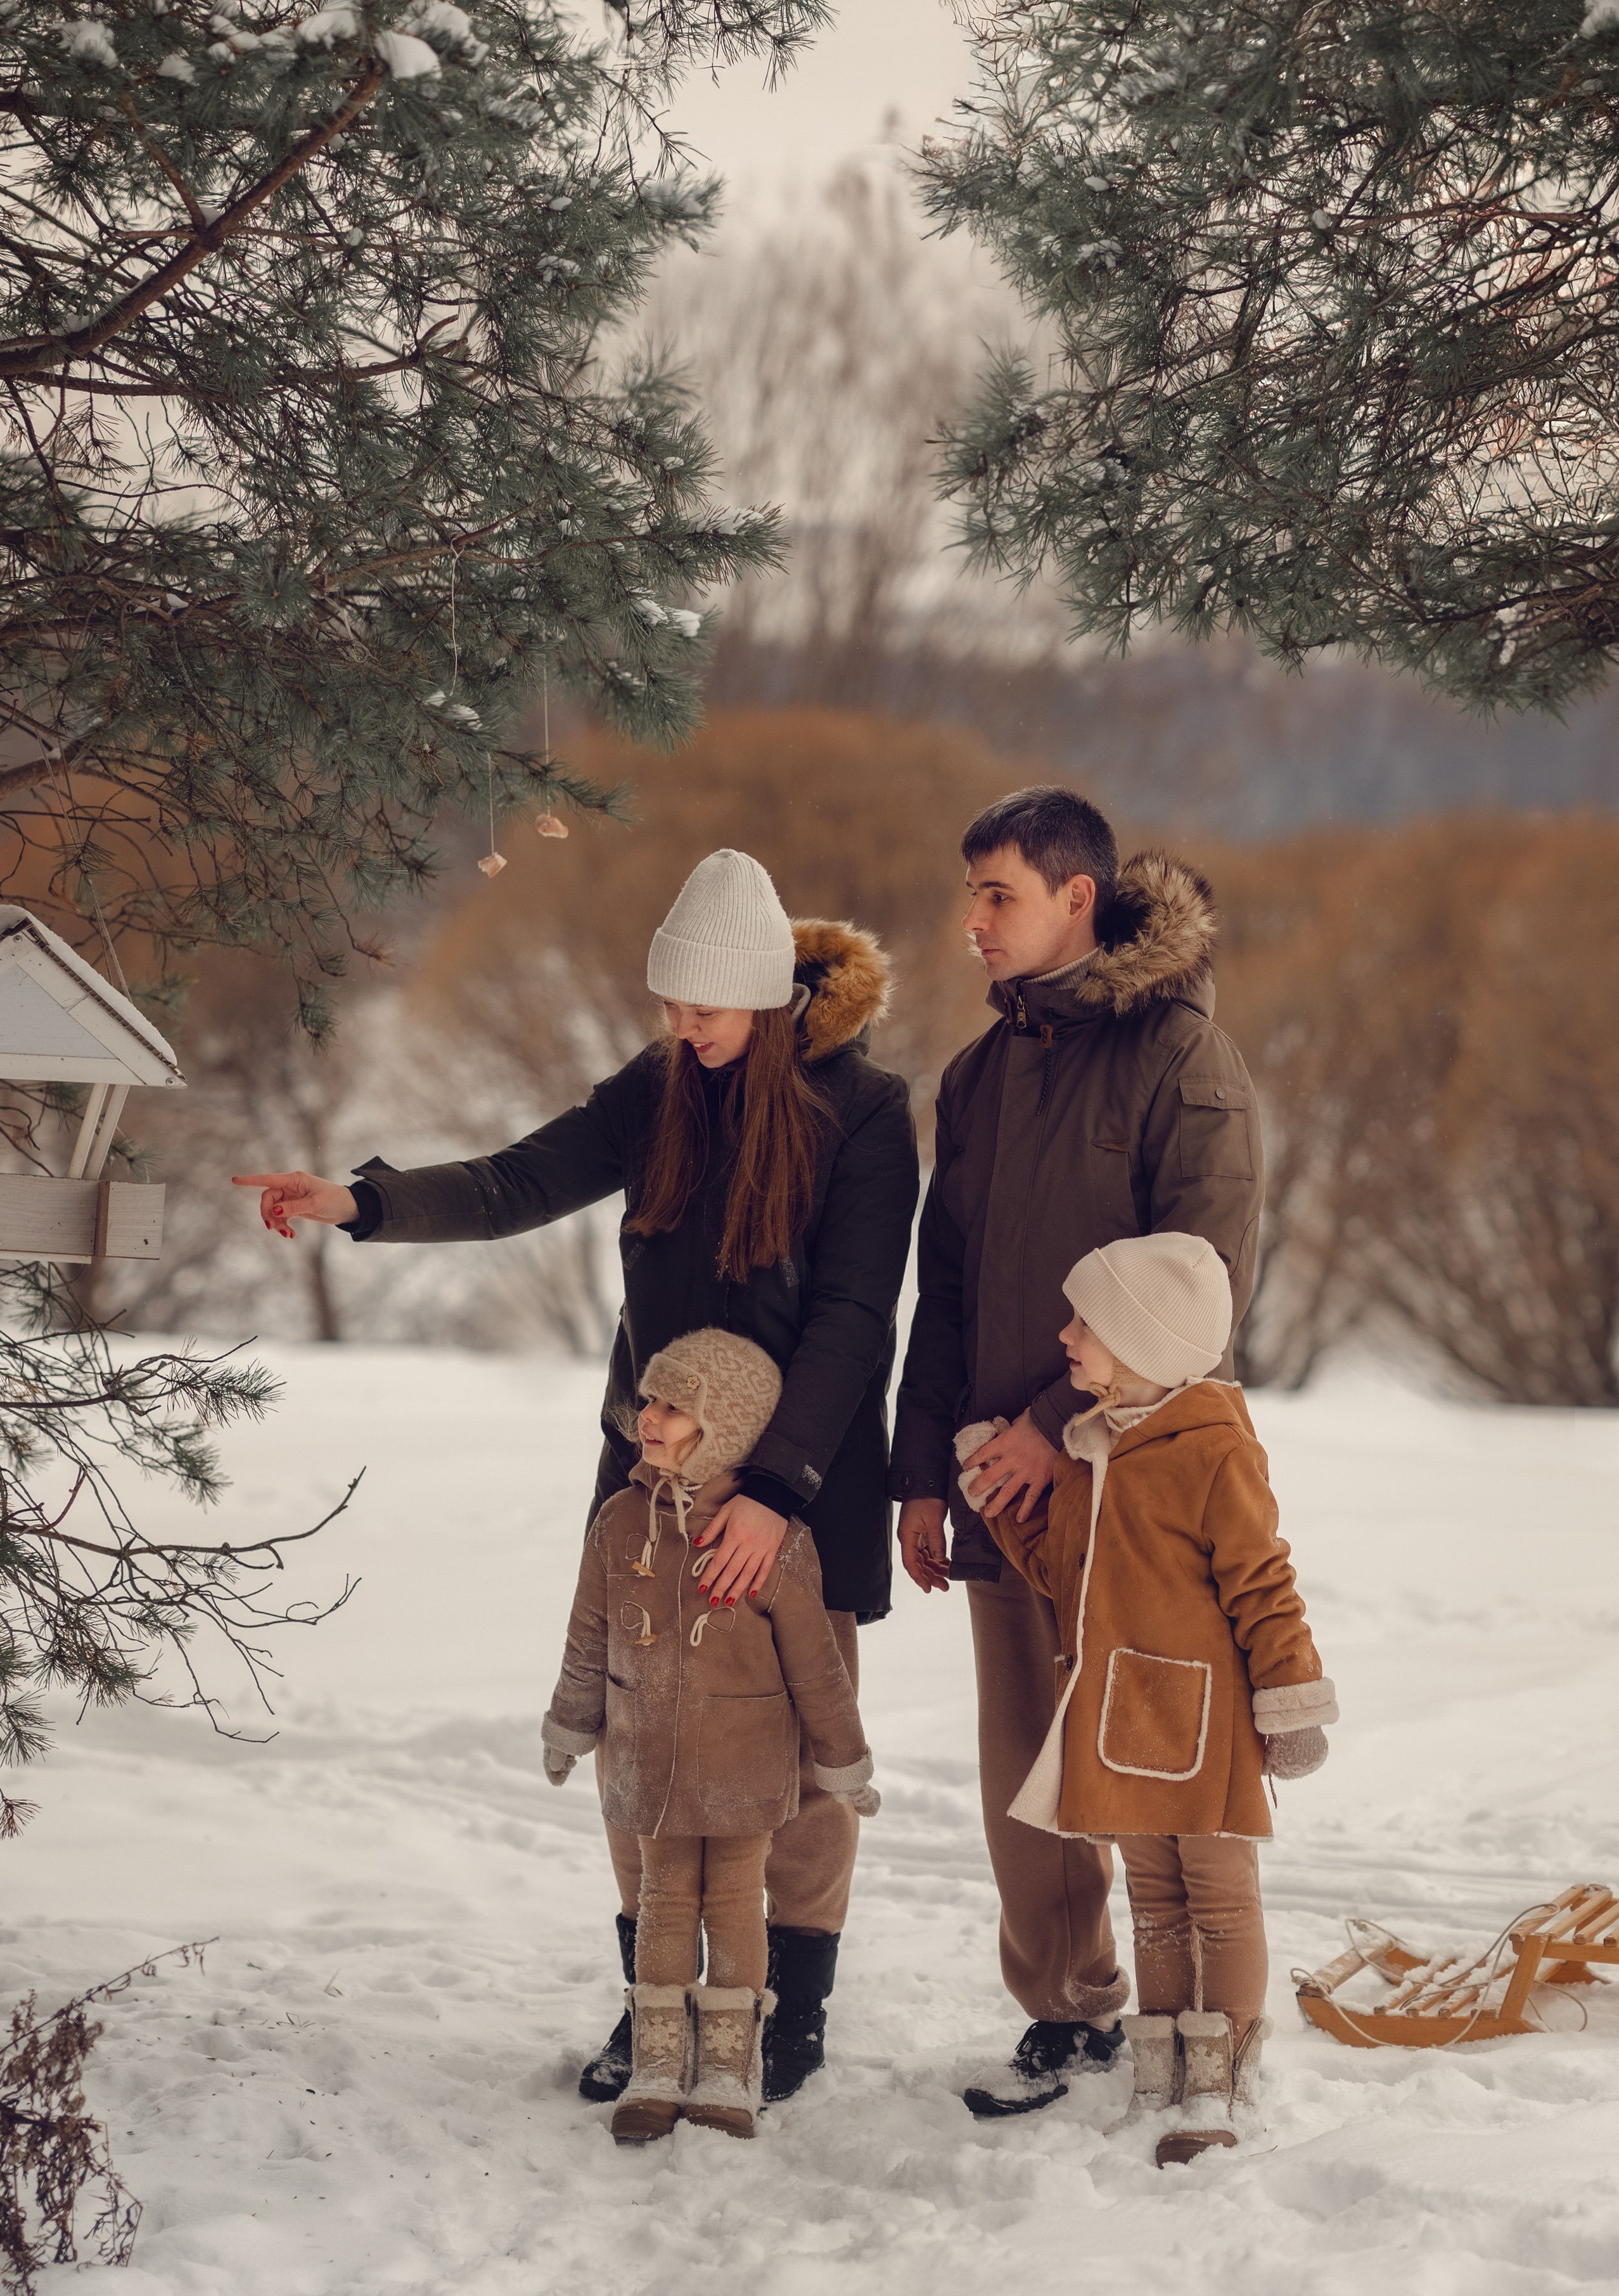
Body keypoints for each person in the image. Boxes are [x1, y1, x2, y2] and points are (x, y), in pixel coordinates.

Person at [236, 849, 918, 2104]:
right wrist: (359, 1202)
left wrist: (775, 1494)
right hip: (651, 1473)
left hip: (799, 1480)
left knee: (795, 1752)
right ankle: (651, 2000)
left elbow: (853, 1320)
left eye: (703, 1009)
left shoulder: (864, 1116)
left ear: (767, 1000)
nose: (680, 1029)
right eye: (667, 1006)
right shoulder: (660, 1088)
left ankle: (786, 2016)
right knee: (642, 1728)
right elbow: (514, 1182)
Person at [888, 786, 1265, 2118]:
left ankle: (1205, 2033)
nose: (971, 921)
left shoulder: (1180, 1059)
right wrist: (921, 1469)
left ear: (1075, 899)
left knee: (1162, 1765)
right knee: (1021, 1774)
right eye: (970, 892)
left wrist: (1058, 1430)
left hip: (1137, 1497)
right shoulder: (978, 1076)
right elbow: (944, 1287)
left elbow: (1207, 1287)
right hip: (993, 1487)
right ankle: (1068, 2015)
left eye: (995, 894)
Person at [957, 1231, 1336, 2165]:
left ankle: (1221, 2077)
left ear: (1143, 1338)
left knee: (1219, 1897)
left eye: (1086, 1322)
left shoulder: (1213, 1451)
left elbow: (1264, 1584)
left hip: (1204, 1726)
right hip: (1121, 1722)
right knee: (1157, 1903)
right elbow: (1059, 1571)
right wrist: (998, 1499)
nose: (1065, 1335)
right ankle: (1163, 2063)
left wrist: (1292, 1697)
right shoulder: (1095, 1449)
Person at [542, 1327, 878, 2142]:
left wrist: (842, 1763)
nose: (646, 1418)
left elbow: (817, 1669)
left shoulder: (778, 1543)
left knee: (733, 1908)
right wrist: (571, 1723)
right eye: (648, 1400)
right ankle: (660, 2062)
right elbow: (589, 1632)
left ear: (723, 1429)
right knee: (661, 1908)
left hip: (743, 1776)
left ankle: (729, 2067)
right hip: (647, 1771)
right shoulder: (622, 1523)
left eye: (672, 1407)